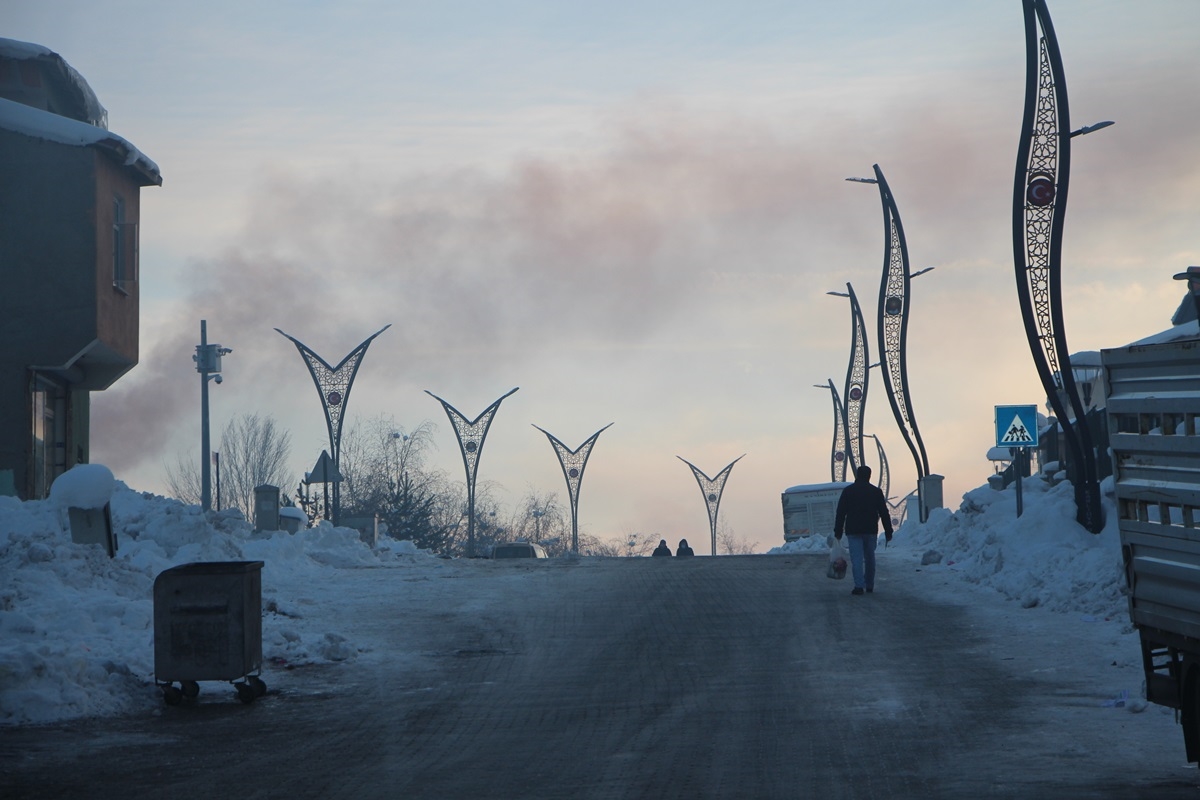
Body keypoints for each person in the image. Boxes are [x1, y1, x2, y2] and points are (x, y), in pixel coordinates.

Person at [833, 465, 894, 595]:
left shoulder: (848, 491)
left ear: (857, 475)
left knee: (857, 559)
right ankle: (870, 585)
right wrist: (888, 531)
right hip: (870, 530)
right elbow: (884, 512)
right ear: (869, 476)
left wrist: (838, 531)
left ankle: (859, 586)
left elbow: (841, 512)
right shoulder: (876, 492)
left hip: (853, 530)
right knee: (870, 558)